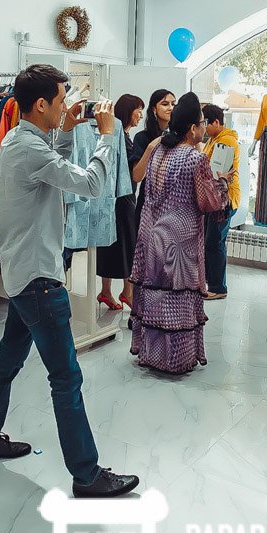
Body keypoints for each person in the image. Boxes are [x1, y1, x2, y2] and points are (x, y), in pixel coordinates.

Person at [0, 64, 139, 499]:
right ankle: (87, 475)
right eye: (62, 100)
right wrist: (108, 136)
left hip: (21, 274)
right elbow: (91, 184)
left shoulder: (18, 139)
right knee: (66, 378)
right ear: (41, 103)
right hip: (39, 281)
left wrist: (65, 130)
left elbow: (52, 163)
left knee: (8, 361)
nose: (66, 106)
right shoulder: (29, 149)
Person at [129, 93, 230, 374]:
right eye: (202, 123)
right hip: (179, 243)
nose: (204, 128)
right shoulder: (195, 158)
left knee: (154, 297)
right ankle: (175, 359)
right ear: (192, 128)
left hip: (151, 235)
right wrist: (222, 183)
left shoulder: (158, 151)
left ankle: (151, 354)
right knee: (177, 301)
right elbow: (209, 202)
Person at [96, 94, 145, 310]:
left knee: (111, 244)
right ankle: (127, 292)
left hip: (112, 198)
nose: (140, 115)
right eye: (138, 110)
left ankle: (107, 291)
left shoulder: (117, 135)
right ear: (128, 111)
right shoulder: (121, 137)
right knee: (128, 245)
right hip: (123, 198)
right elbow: (134, 172)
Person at [201, 103, 240, 300]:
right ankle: (211, 284)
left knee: (214, 243)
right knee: (210, 242)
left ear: (216, 122)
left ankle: (218, 288)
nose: (204, 127)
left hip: (223, 200)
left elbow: (216, 172)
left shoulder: (226, 141)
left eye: (206, 123)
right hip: (214, 199)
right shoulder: (214, 140)